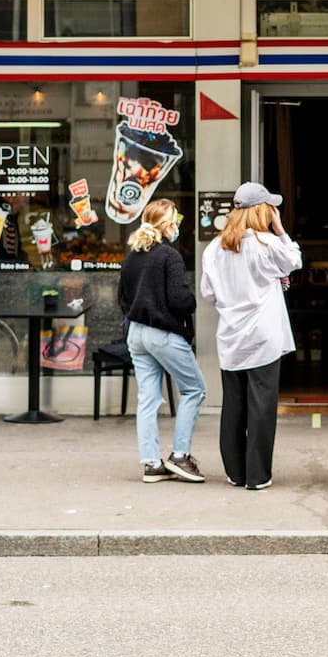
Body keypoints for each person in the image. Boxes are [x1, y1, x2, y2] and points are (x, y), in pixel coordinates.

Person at [200, 182, 302, 490]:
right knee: (261, 406)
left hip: (231, 337)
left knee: (233, 405)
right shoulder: (266, 244)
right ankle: (257, 475)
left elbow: (209, 294)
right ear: (261, 211)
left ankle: (235, 472)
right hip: (263, 337)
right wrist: (281, 228)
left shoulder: (214, 249)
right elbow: (294, 260)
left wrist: (232, 305)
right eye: (270, 208)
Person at [118, 199, 206, 483]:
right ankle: (180, 456)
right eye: (176, 220)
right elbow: (180, 300)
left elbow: (122, 298)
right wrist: (192, 301)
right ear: (168, 225)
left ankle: (151, 464)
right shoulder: (169, 255)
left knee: (148, 398)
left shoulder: (132, 254)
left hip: (136, 333)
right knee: (194, 390)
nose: (178, 225)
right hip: (163, 334)